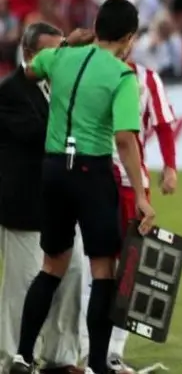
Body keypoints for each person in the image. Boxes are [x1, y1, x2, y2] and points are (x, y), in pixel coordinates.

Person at [9, 0, 156, 374]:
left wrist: (67, 44)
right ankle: (98, 365)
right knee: (103, 270)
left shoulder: (60, 58)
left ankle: (23, 355)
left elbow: (29, 72)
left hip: (54, 169)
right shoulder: (121, 75)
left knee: (50, 266)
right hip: (92, 171)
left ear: (95, 27)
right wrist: (141, 195)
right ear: (129, 38)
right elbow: (125, 139)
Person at [78, 59, 178, 374]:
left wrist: (170, 166)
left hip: (130, 182)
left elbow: (163, 124)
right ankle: (86, 351)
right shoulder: (87, 68)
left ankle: (113, 353)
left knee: (129, 269)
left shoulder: (147, 78)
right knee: (92, 267)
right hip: (92, 176)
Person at [0, 23, 89, 374]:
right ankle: (12, 359)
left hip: (63, 202)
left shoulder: (58, 87)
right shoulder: (10, 91)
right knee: (23, 285)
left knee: (73, 277)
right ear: (29, 54)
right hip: (25, 205)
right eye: (53, 53)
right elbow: (39, 135)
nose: (59, 60)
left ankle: (60, 358)